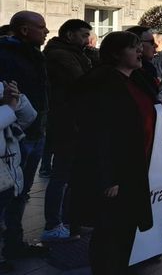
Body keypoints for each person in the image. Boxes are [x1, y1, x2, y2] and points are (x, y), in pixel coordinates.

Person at [69, 31, 157, 274]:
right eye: (134, 47)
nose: (140, 51)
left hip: (135, 167)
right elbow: (99, 133)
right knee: (110, 233)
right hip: (116, 173)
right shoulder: (102, 83)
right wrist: (109, 176)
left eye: (141, 47)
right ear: (116, 53)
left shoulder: (137, 79)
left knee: (125, 230)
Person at [0, 11, 49, 260]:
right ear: (24, 30)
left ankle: (14, 242)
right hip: (14, 137)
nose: (46, 31)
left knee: (21, 190)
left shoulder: (34, 55)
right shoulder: (6, 56)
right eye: (41, 27)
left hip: (33, 130)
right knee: (7, 192)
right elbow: (11, 98)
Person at [42, 19, 93, 242]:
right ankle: (54, 224)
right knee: (61, 176)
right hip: (66, 122)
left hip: (75, 120)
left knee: (72, 176)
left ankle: (71, 220)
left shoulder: (77, 53)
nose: (87, 40)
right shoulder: (60, 55)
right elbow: (82, 81)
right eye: (83, 35)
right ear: (70, 35)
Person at [0, 80, 37, 273]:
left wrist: (17, 98)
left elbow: (29, 116)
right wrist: (9, 108)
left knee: (7, 215)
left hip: (10, 170)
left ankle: (9, 249)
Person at [127, 26, 160, 90]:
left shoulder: (149, 67)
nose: (156, 45)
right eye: (151, 42)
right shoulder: (127, 72)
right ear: (137, 44)